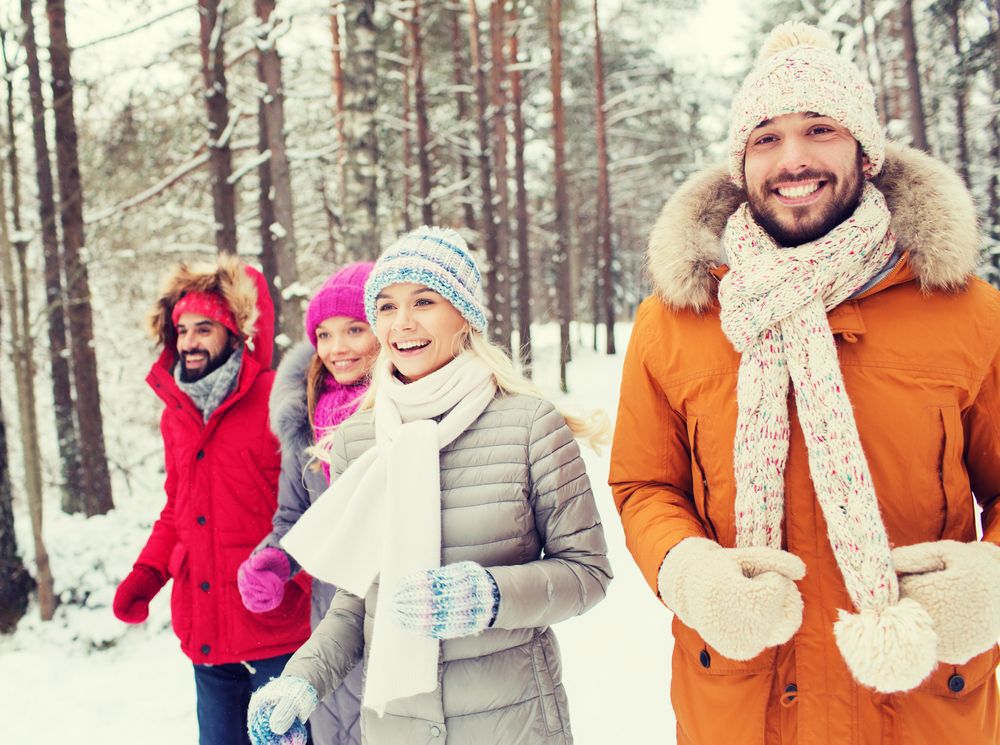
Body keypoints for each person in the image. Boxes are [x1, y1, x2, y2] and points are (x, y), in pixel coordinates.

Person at [609, 21, 1000, 745]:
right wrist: (687, 569)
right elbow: (643, 486)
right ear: (741, 162)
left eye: (819, 128)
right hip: (742, 704)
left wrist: (993, 577)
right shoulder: (675, 319)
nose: (793, 159)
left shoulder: (970, 311)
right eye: (766, 137)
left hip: (921, 705)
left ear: (864, 149)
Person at [245, 225, 613, 745]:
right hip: (398, 728)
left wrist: (489, 595)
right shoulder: (356, 441)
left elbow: (588, 574)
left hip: (512, 724)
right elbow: (356, 602)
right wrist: (300, 683)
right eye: (388, 307)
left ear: (463, 314)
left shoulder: (531, 425)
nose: (403, 323)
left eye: (423, 300)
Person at [113, 255, 312, 745]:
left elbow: (315, 503)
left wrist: (296, 577)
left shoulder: (277, 396)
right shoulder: (177, 413)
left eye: (204, 328)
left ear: (233, 331)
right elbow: (177, 510)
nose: (189, 342)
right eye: (182, 331)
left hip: (279, 635)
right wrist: (148, 573)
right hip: (208, 639)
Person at [238, 262, 377, 745]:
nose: (337, 348)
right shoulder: (306, 421)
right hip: (333, 618)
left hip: (407, 612)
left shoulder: (414, 407)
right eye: (324, 333)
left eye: (354, 329)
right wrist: (275, 560)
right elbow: (296, 517)